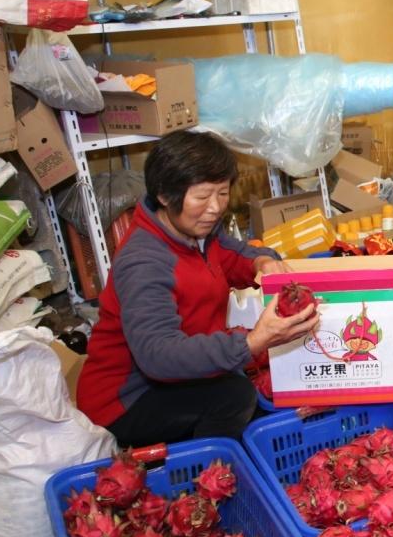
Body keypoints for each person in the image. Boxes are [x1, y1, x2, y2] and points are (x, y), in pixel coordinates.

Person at [76, 131, 319, 446]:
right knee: (235, 396)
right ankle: (204, 467)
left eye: (223, 193)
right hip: (127, 400)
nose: (215, 207)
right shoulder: (144, 262)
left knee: (262, 413)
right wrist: (251, 342)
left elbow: (231, 255)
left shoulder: (198, 230)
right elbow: (159, 355)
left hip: (179, 377)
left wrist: (260, 261)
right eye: (202, 196)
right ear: (165, 195)